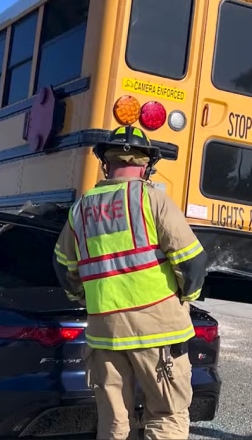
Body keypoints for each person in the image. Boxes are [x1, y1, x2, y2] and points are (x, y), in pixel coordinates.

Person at [52, 125, 208, 440]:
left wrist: (83, 296)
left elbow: (63, 265)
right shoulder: (153, 201)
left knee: (112, 423)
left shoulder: (81, 209)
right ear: (147, 165)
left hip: (105, 332)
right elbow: (192, 259)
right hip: (159, 331)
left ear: (105, 164)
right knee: (166, 415)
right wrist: (187, 296)